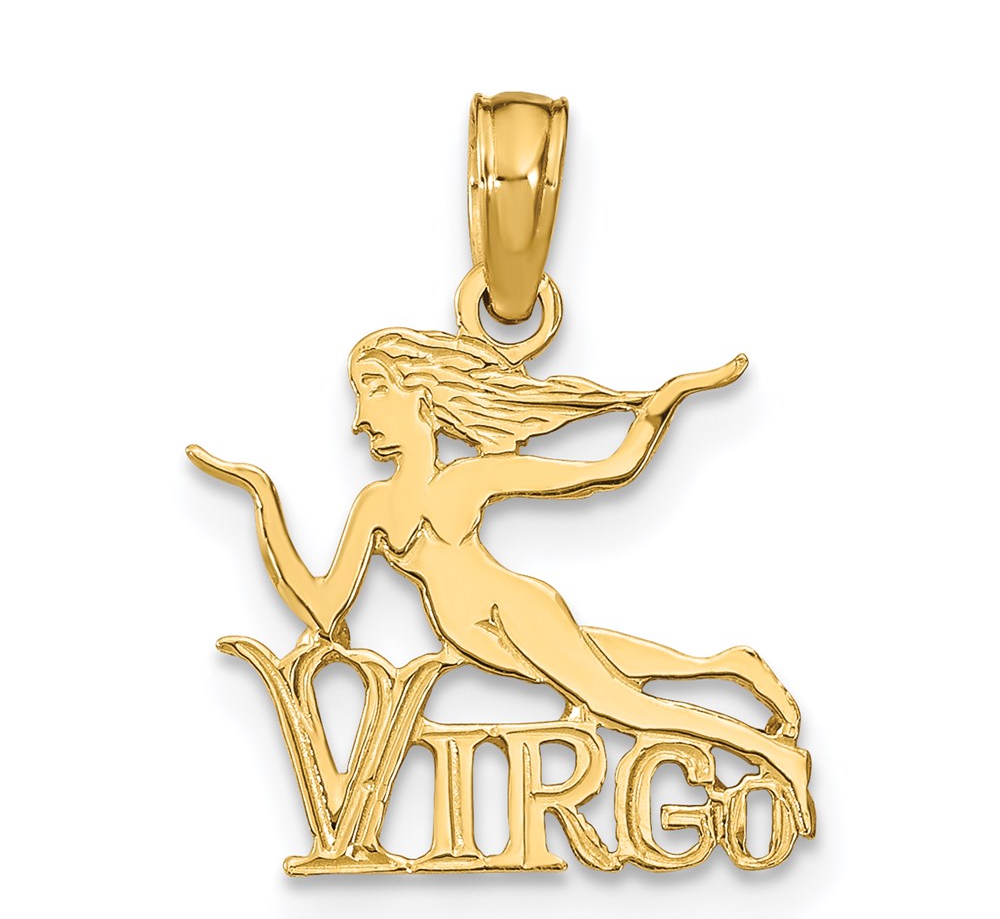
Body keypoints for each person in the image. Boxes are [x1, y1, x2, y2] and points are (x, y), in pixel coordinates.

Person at [188, 327, 813, 834]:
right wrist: (261, 497)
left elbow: (610, 469)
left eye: (372, 390)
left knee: (620, 704)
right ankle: (730, 666)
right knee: (617, 672)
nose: (357, 418)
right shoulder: (374, 506)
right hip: (479, 641)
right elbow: (324, 608)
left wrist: (660, 404)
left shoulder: (468, 479)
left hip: (508, 613)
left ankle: (776, 755)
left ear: (420, 397)